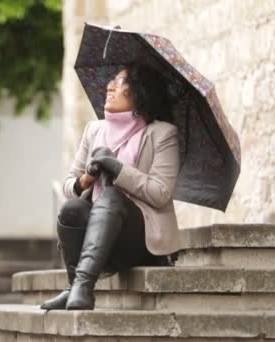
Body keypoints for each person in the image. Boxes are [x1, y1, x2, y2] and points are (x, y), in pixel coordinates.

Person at [41, 63, 181, 311]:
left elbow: (160, 193)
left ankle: (81, 287)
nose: (110, 86)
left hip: (139, 240)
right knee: (71, 209)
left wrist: (118, 170)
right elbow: (67, 184)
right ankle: (75, 286)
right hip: (99, 233)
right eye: (112, 81)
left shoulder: (162, 134)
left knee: (112, 197)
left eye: (121, 82)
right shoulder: (95, 130)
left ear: (141, 92)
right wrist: (85, 180)